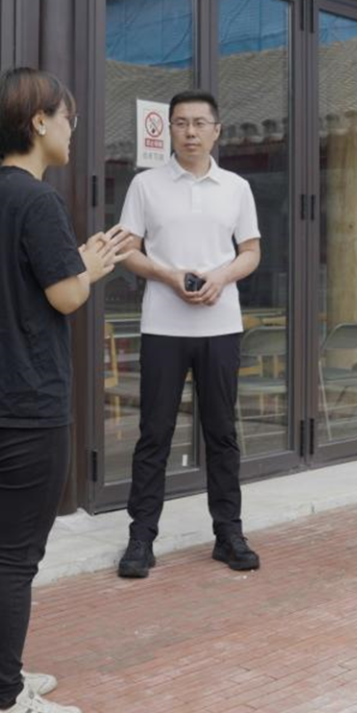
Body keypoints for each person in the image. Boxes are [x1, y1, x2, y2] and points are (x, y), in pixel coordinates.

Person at [0, 67, 133, 713]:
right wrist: (92, 265)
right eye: (67, 117)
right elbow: (65, 294)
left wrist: (77, 259)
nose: (71, 128)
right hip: (26, 400)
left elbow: (31, 280)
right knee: (15, 555)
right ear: (38, 122)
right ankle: (3, 697)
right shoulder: (37, 200)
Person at [114, 90, 262, 580]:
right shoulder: (145, 185)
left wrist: (221, 276)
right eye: (180, 123)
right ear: (169, 130)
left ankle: (229, 534)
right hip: (163, 326)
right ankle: (141, 538)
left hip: (221, 326)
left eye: (200, 123)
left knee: (222, 433)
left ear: (217, 130)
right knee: (154, 433)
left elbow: (251, 252)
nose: (190, 132)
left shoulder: (236, 187)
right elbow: (128, 249)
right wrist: (168, 274)